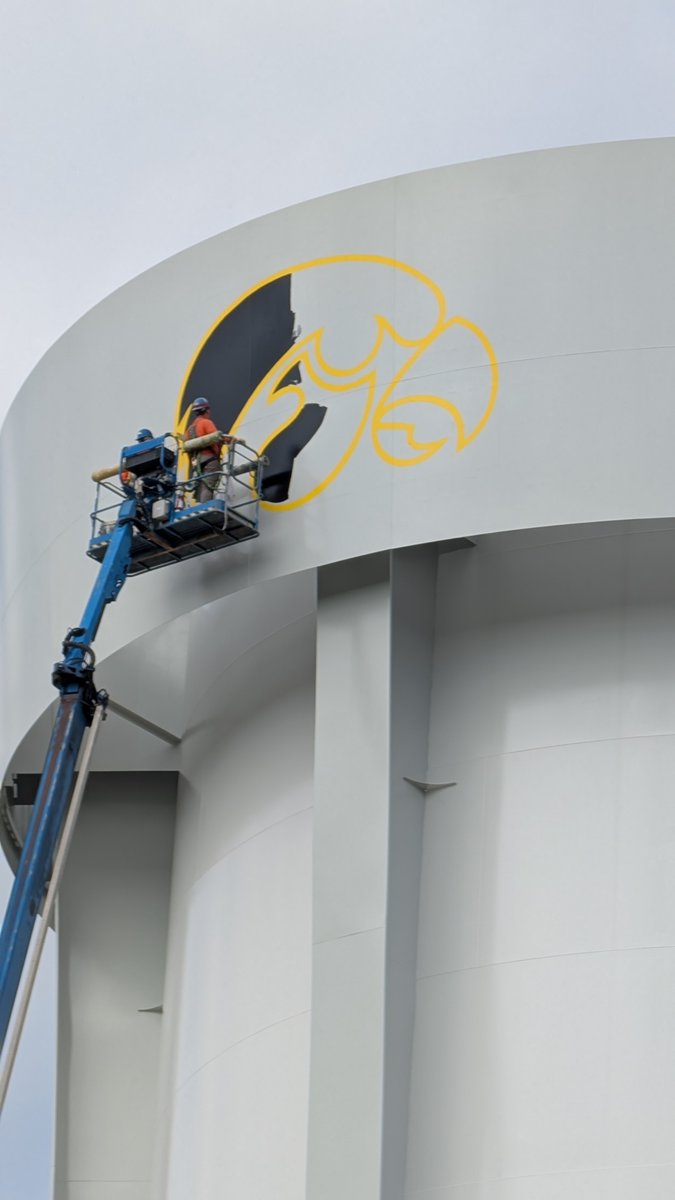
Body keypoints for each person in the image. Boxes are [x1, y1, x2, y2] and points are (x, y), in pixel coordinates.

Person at [187, 398, 224, 502]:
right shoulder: (206, 423)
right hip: (210, 460)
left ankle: (200, 505)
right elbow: (216, 438)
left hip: (197, 463)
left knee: (200, 486)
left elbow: (186, 447)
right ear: (206, 410)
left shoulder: (190, 429)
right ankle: (205, 505)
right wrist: (230, 440)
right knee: (208, 485)